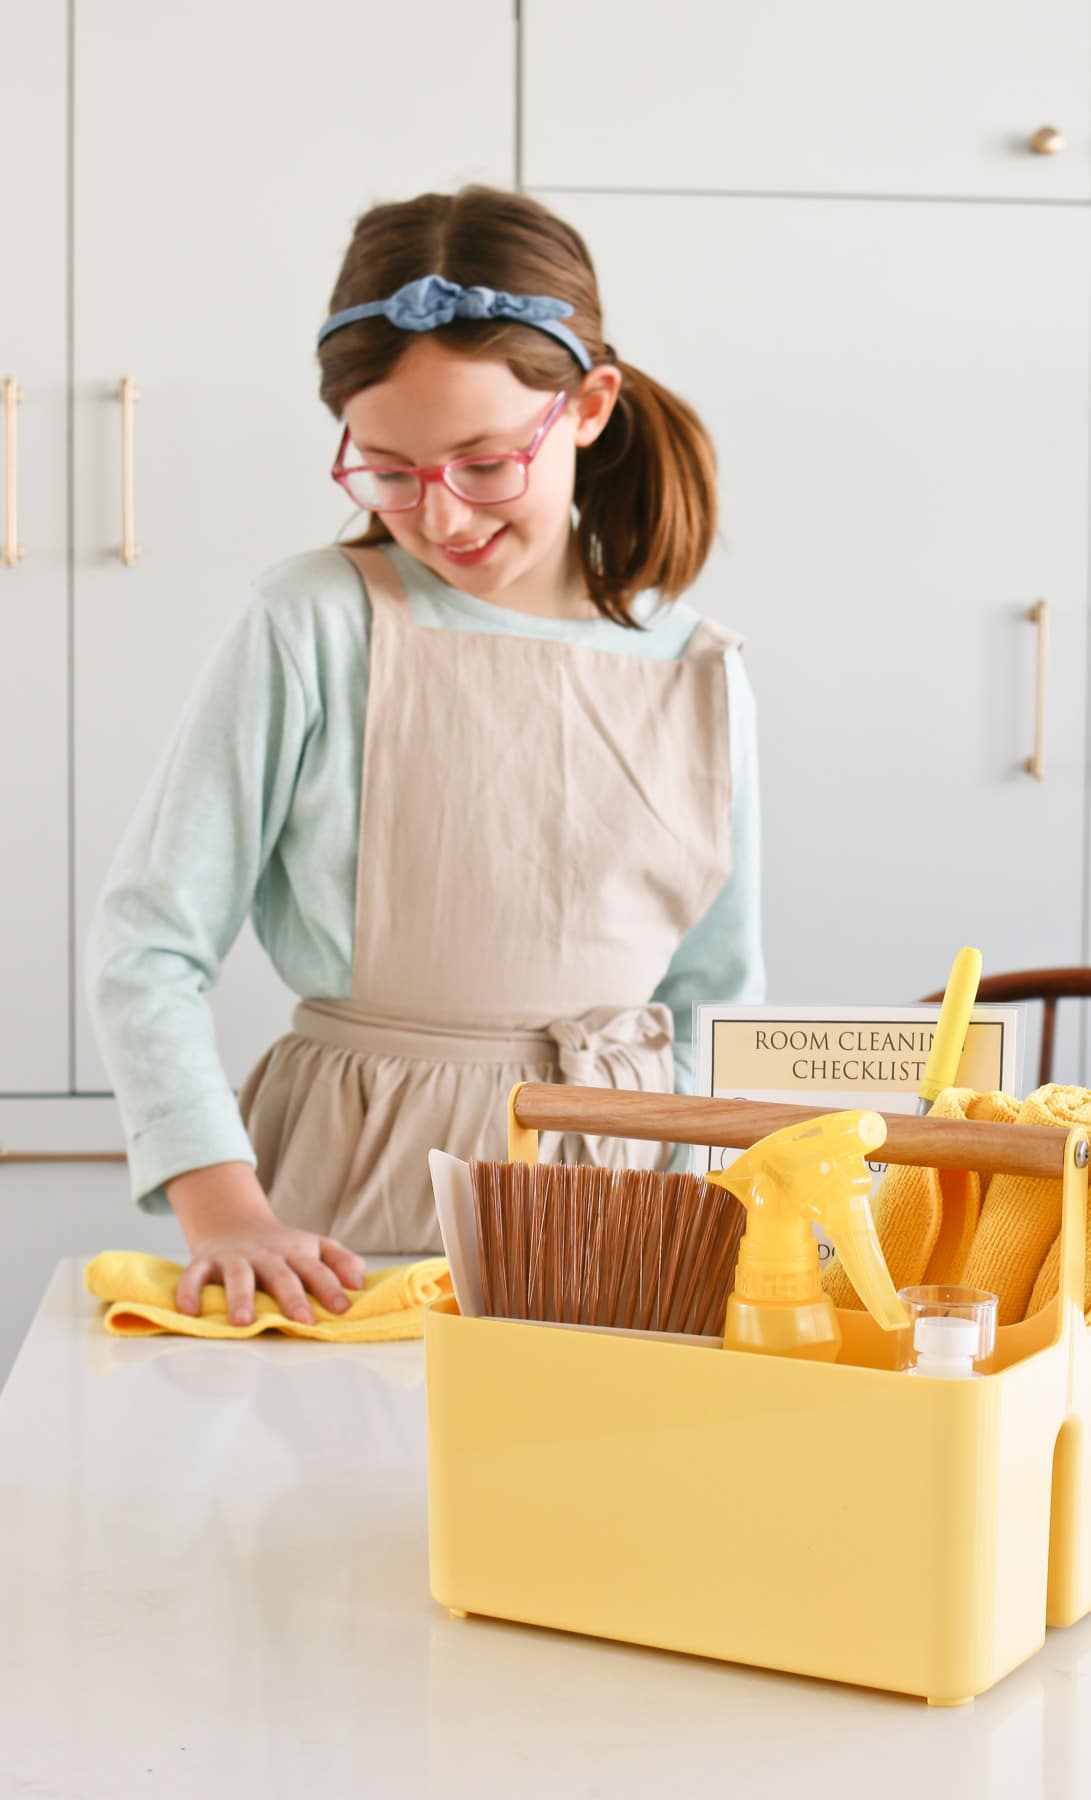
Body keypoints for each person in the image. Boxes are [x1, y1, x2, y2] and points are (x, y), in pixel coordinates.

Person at [86, 185, 765, 1329]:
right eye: (390, 470)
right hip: (353, 1207)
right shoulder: (311, 619)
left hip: (632, 1209)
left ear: (589, 408)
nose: (441, 518)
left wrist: (721, 1225)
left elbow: (714, 999)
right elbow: (146, 948)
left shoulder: (698, 670)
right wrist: (225, 1211)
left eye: (485, 463)